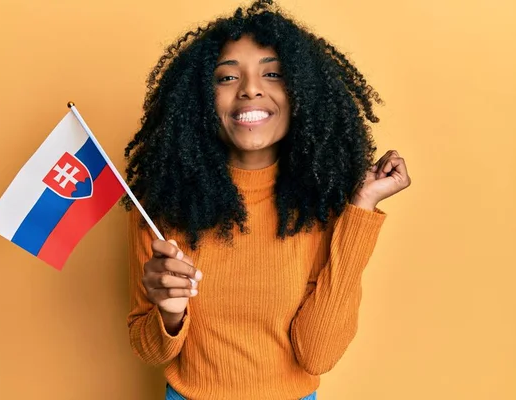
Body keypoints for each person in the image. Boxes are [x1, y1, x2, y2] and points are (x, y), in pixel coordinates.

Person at [123, 0, 411, 398]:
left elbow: (318, 355)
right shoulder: (161, 203)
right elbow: (148, 350)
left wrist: (360, 210)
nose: (250, 88)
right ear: (199, 100)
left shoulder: (321, 204)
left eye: (272, 73)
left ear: (302, 93)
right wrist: (170, 315)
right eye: (226, 78)